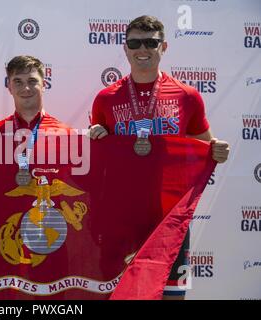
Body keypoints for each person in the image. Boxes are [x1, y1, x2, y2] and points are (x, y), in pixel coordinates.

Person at [88, 15, 230, 299]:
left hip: (169, 219)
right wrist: (95, 136)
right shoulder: (106, 98)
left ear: (163, 47)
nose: (143, 49)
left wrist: (218, 151)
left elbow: (204, 145)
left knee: (172, 296)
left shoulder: (187, 96)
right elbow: (98, 157)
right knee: (117, 294)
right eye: (135, 42)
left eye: (151, 43)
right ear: (125, 48)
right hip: (121, 218)